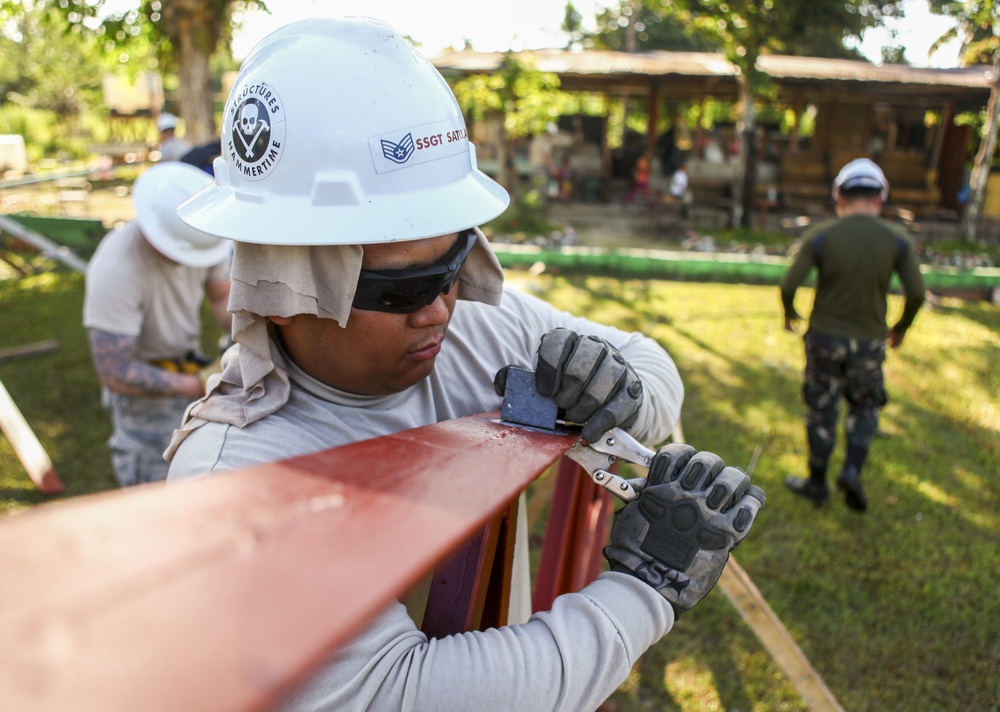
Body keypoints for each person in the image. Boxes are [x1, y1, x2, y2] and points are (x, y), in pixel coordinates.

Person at [164, 17, 764, 710]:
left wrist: (622, 395)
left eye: (454, 265)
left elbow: (648, 361)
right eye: (405, 288)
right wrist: (643, 589)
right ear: (284, 290)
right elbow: (407, 694)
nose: (441, 309)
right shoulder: (239, 477)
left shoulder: (473, 326)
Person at [780, 158, 925, 512]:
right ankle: (850, 470)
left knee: (821, 410)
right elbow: (917, 293)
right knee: (865, 406)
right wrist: (900, 328)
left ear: (839, 197)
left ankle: (816, 482)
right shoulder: (897, 239)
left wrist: (790, 313)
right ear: (880, 199)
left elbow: (789, 284)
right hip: (870, 343)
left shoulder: (822, 235)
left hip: (824, 339)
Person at [83, 162, 233, 487]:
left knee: (204, 466)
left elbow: (221, 295)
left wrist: (244, 337)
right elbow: (115, 370)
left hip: (187, 359)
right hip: (142, 383)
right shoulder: (116, 270)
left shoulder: (202, 234)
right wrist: (199, 385)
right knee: (155, 478)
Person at [528, 121, 559, 197]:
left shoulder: (537, 139)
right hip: (540, 167)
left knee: (537, 184)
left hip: (534, 165)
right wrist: (553, 168)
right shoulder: (545, 142)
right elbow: (547, 156)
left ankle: (536, 201)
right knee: (541, 186)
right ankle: (539, 202)